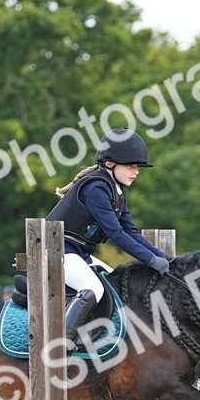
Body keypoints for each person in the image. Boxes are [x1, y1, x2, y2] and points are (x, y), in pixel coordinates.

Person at [46, 127, 168, 349]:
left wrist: (164, 258)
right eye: (131, 166)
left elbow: (132, 232)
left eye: (138, 167)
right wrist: (151, 261)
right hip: (56, 252)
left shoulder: (117, 191)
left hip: (78, 255)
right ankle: (60, 346)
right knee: (93, 288)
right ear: (110, 163)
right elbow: (116, 234)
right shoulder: (96, 189)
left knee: (117, 285)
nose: (136, 171)